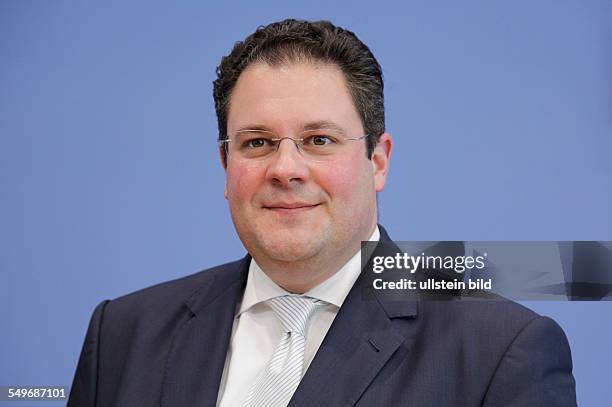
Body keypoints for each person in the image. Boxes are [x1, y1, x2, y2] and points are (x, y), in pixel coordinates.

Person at [68, 19, 577, 406]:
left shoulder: (500, 352)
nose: (285, 168)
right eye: (258, 142)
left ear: (377, 161)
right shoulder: (122, 334)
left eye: (318, 140)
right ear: (226, 164)